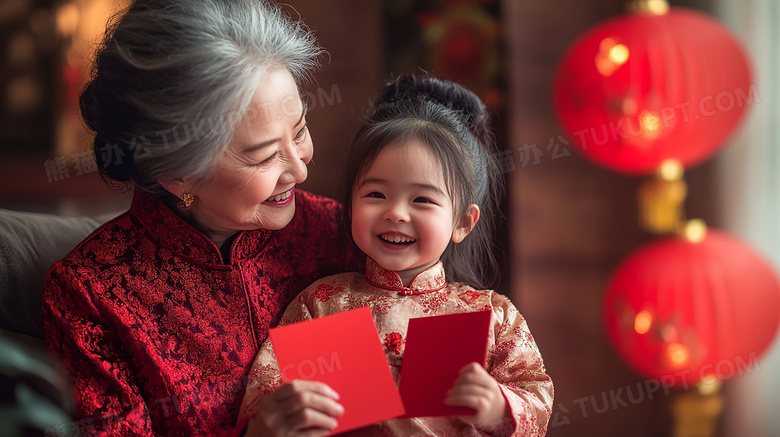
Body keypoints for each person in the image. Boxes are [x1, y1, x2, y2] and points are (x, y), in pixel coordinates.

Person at [42, 1, 363, 435]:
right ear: (176, 176)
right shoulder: (92, 294)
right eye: (266, 156)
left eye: (301, 130)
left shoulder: (341, 233)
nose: (301, 170)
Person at [238, 75, 554, 437]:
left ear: (463, 222)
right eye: (376, 194)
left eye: (421, 200)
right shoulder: (322, 301)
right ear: (351, 201)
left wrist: (499, 406)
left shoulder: (492, 315)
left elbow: (537, 397)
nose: (396, 213)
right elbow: (267, 386)